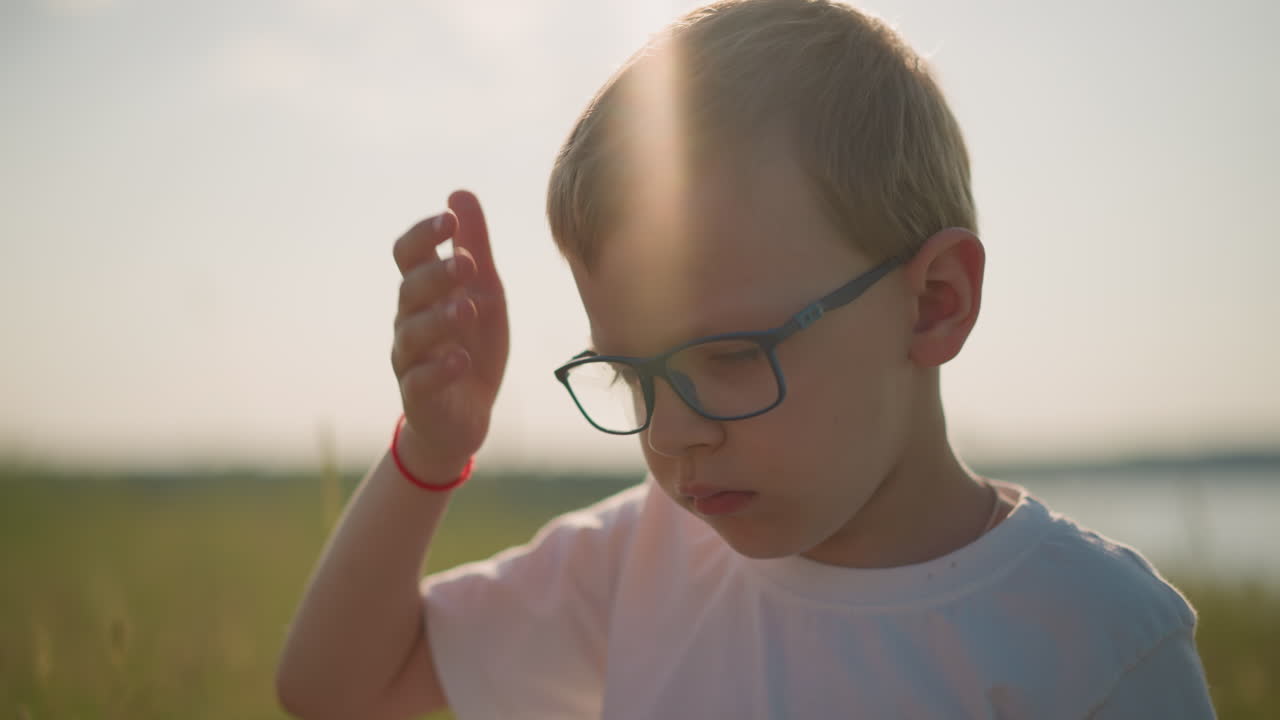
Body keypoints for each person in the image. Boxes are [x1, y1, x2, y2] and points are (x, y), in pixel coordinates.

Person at [276, 1, 1216, 717]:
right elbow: (336, 688)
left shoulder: (1095, 642)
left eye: (729, 356)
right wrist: (433, 454)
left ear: (935, 304)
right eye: (632, 378)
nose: (675, 433)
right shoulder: (644, 559)